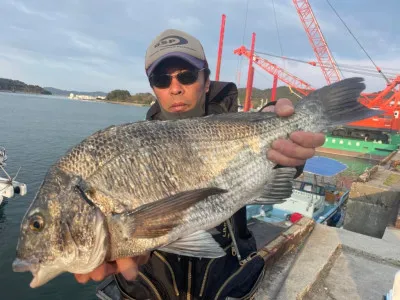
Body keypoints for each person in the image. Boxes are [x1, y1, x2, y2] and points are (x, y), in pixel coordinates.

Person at [75, 29, 325, 299]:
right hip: (151, 288)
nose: (175, 87)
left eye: (187, 75)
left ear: (206, 81)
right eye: (161, 79)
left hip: (227, 282)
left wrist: (284, 133)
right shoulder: (131, 152)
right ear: (153, 88)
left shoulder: (239, 127)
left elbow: (279, 163)